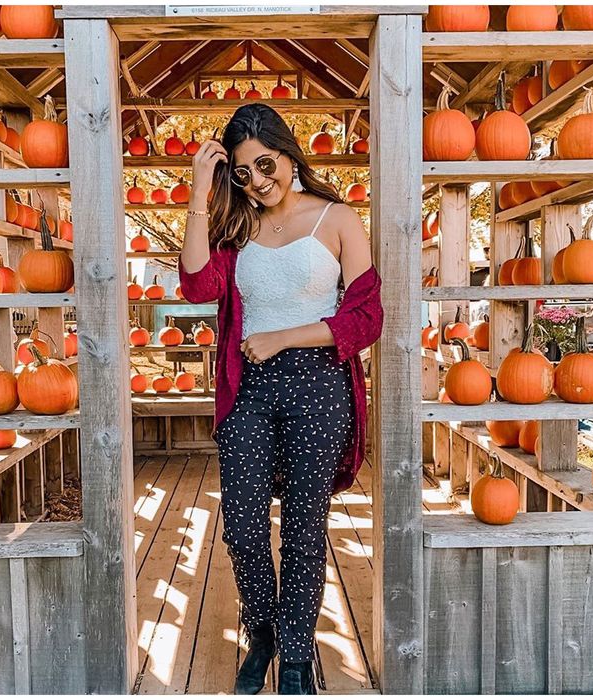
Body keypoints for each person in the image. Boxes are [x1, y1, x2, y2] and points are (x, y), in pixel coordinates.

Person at [178, 104, 382, 694]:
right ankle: (263, 632)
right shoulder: (236, 228)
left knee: (303, 523)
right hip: (250, 389)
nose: (258, 181)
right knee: (240, 523)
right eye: (242, 173)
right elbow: (196, 285)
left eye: (264, 164)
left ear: (289, 153)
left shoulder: (338, 219)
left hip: (318, 384)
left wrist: (285, 336)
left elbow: (366, 317)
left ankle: (294, 651)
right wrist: (200, 191)